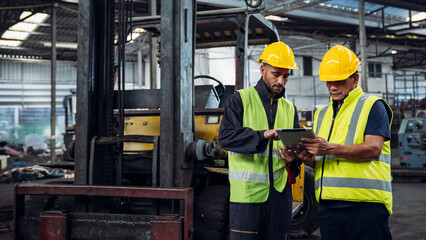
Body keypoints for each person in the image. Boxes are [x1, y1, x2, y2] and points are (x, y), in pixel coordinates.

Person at [299, 45, 393, 240]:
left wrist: (329, 148)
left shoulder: (373, 106)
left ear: (355, 79)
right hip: (328, 207)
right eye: (328, 82)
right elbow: (323, 162)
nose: (333, 87)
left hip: (366, 206)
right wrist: (307, 158)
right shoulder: (321, 113)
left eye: (339, 81)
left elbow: (374, 149)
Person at [219, 41, 302, 240]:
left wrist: (294, 159)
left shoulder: (290, 109)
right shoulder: (240, 100)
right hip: (247, 196)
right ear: (263, 69)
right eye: (276, 74)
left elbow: (297, 151)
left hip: (280, 196)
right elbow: (226, 138)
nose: (281, 81)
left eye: (285, 76)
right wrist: (263, 134)